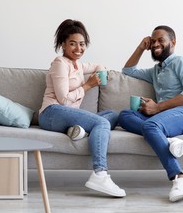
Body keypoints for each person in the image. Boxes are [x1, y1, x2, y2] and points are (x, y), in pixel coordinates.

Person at [118, 25, 183, 202]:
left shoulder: (182, 62)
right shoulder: (156, 71)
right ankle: (167, 140)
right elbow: (128, 71)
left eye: (160, 40)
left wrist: (158, 107)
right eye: (153, 41)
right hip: (167, 118)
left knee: (151, 125)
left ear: (173, 42)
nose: (155, 44)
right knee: (124, 115)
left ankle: (180, 178)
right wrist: (140, 47)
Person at [38, 19, 126, 197]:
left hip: (68, 115)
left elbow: (99, 65)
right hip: (51, 113)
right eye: (73, 44)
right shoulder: (60, 63)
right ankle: (100, 173)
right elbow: (63, 100)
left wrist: (102, 72)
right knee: (101, 123)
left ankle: (79, 131)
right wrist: (89, 85)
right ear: (63, 44)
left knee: (114, 115)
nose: (78, 49)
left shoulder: (78, 65)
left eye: (82, 44)